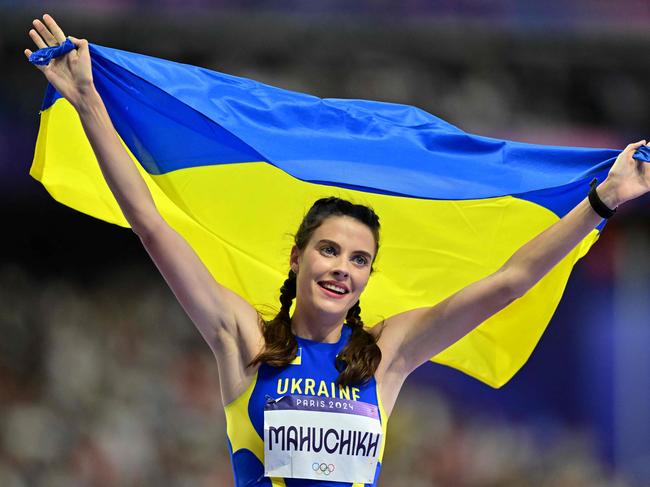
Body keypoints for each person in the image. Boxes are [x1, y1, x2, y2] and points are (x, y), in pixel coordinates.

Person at [25, 14, 649, 487]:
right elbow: (151, 222)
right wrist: (90, 103)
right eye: (329, 251)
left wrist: (602, 201)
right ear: (296, 258)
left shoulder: (389, 355)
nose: (342, 270)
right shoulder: (241, 337)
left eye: (358, 260)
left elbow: (511, 279)